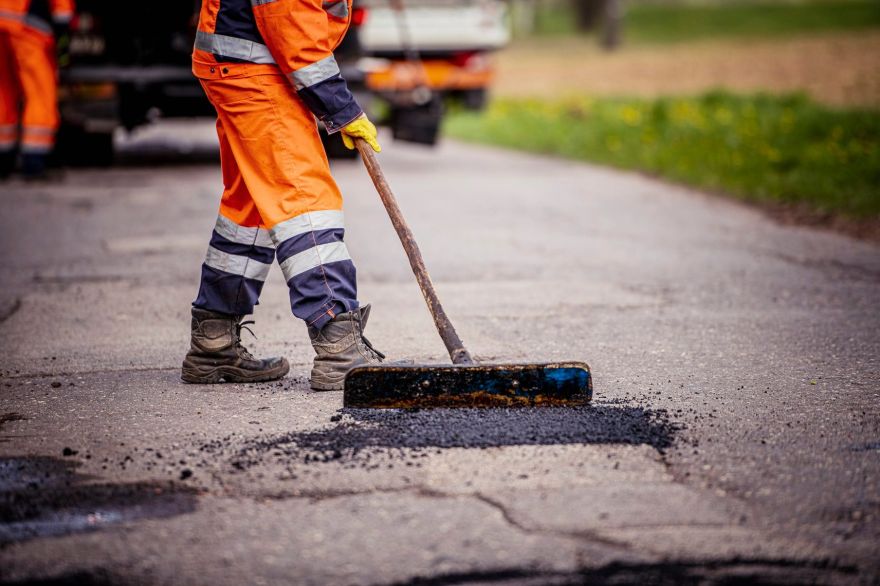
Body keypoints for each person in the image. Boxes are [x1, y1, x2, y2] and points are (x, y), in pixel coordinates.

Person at [181, 0, 387, 390]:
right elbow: (290, 26)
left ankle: (214, 340)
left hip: (246, 64)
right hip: (255, 70)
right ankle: (338, 343)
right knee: (304, 199)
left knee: (252, 207)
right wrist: (341, 109)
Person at [0, 0, 73, 179]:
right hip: (29, 26)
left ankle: (3, 159)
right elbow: (61, 10)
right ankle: (34, 160)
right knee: (40, 93)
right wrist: (63, 33)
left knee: (3, 92)